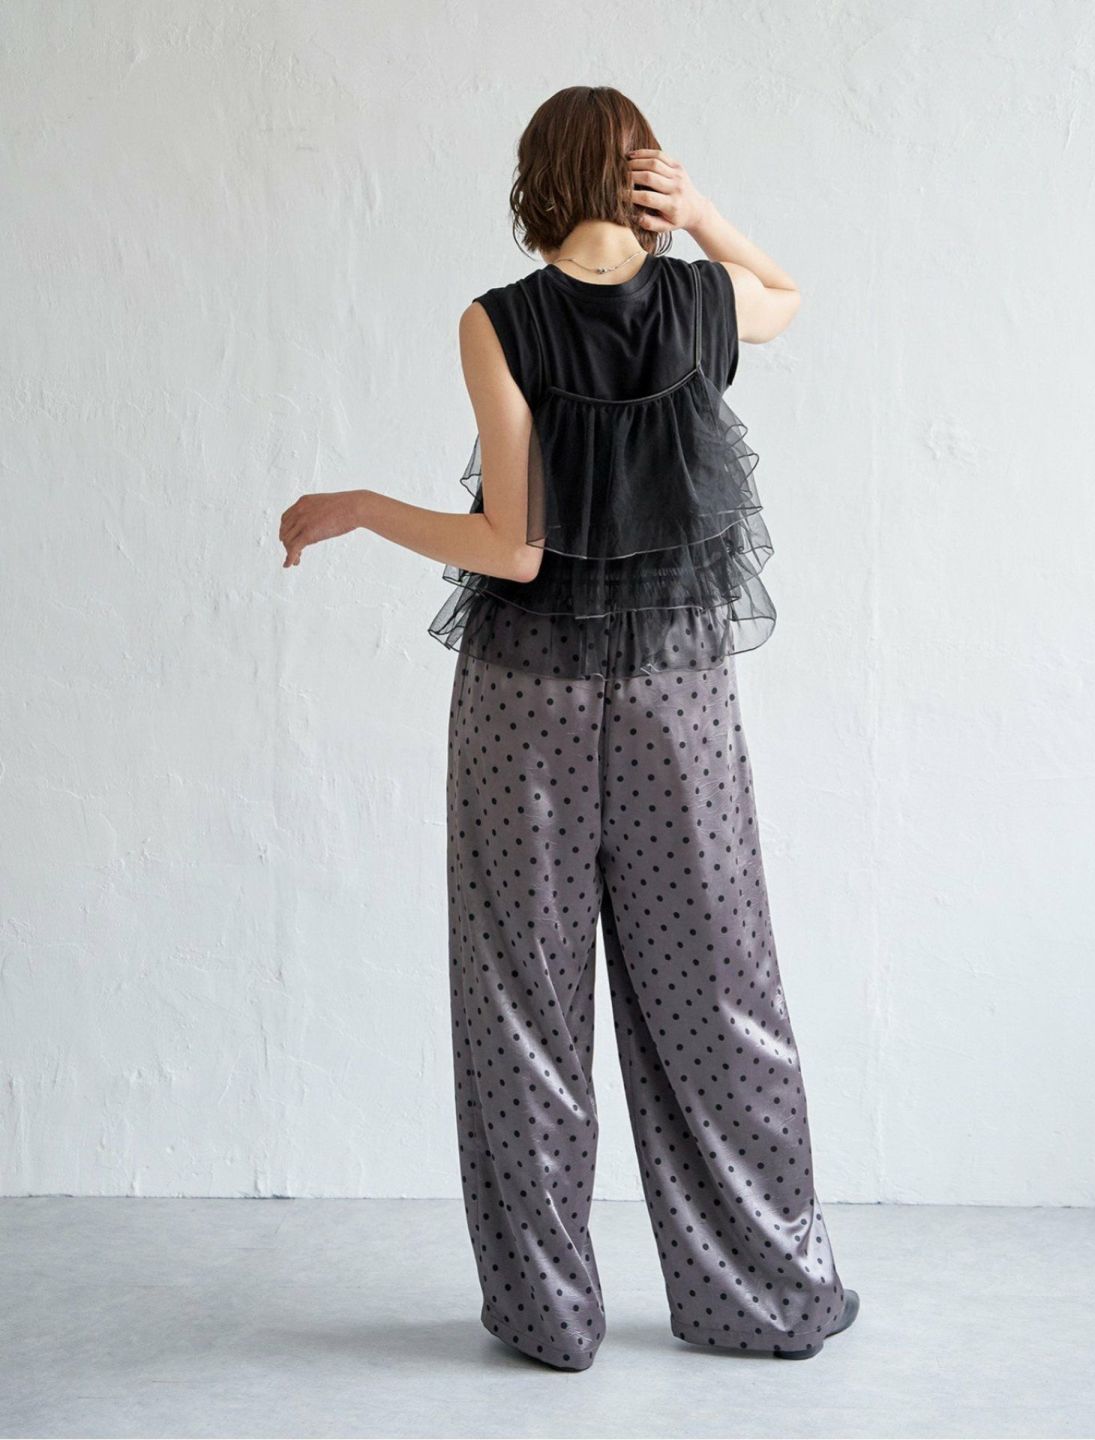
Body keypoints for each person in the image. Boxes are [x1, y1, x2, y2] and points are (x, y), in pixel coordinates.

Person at [278, 84, 858, 1373]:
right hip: (677, 694)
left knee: (521, 997)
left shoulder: (500, 322)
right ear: (642, 178)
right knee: (719, 987)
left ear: (536, 179)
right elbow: (788, 296)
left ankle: (549, 1317)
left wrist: (364, 505)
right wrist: (702, 215)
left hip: (523, 696)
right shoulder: (702, 304)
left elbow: (514, 550)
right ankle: (766, 1297)